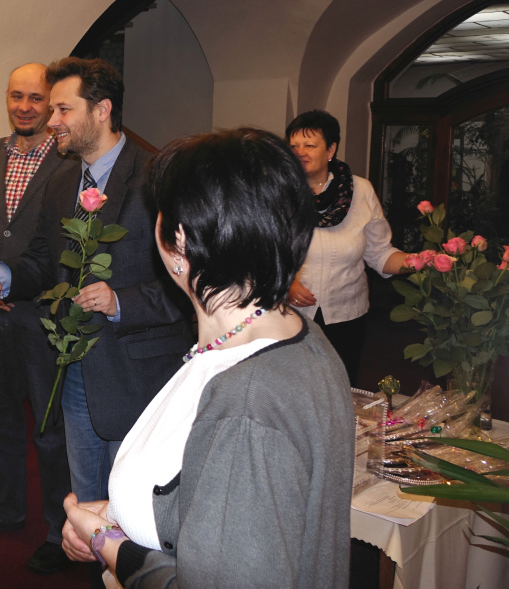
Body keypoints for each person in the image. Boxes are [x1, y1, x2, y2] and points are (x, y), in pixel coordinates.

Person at [61, 127, 356, 588]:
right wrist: (123, 512)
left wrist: (107, 542)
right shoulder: (290, 335)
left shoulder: (248, 399)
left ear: (179, 242)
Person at [0, 57, 192, 505]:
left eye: (63, 110)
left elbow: (190, 282)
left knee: (133, 509)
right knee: (87, 503)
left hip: (140, 374)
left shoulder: (159, 179)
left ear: (102, 110)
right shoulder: (62, 182)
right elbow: (43, 264)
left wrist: (121, 302)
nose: (51, 121)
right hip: (75, 371)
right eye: (53, 110)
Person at [0, 63, 77, 574]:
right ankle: (2, 507)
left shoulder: (69, 162)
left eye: (35, 98)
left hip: (41, 314)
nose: (24, 106)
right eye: (15, 96)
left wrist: (12, 281)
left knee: (51, 428)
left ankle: (60, 529)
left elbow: (66, 241)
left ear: (51, 102)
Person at [286, 110, 408, 385]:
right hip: (289, 315)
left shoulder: (360, 191)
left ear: (331, 149)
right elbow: (258, 254)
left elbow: (380, 253)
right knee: (294, 389)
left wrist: (418, 261)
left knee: (341, 388)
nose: (300, 152)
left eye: (309, 145)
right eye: (293, 146)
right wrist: (285, 284)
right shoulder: (278, 192)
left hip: (347, 314)